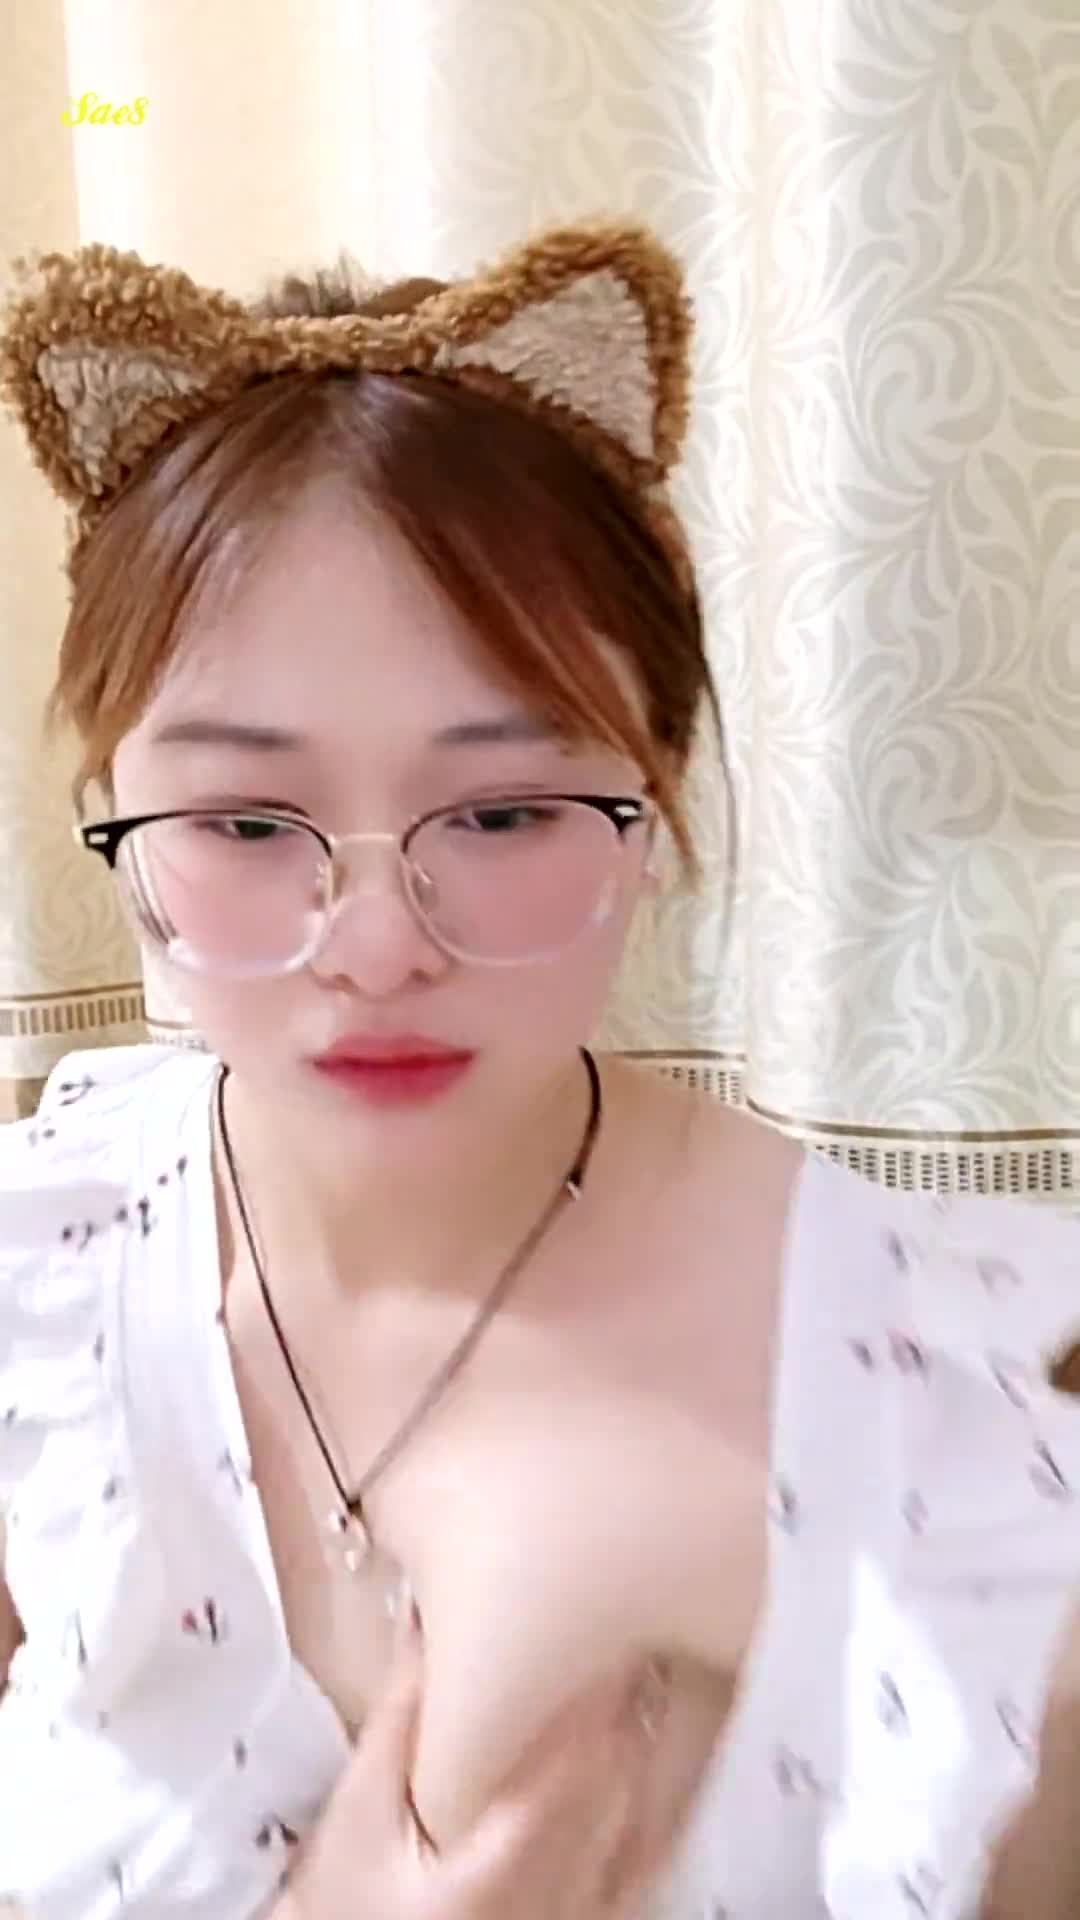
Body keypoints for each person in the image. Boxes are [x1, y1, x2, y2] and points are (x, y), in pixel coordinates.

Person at [0, 219, 1077, 1920]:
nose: (372, 947)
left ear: (654, 803)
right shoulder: (57, 1256)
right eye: (245, 823)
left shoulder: (929, 1413)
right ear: (112, 813)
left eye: (502, 812)